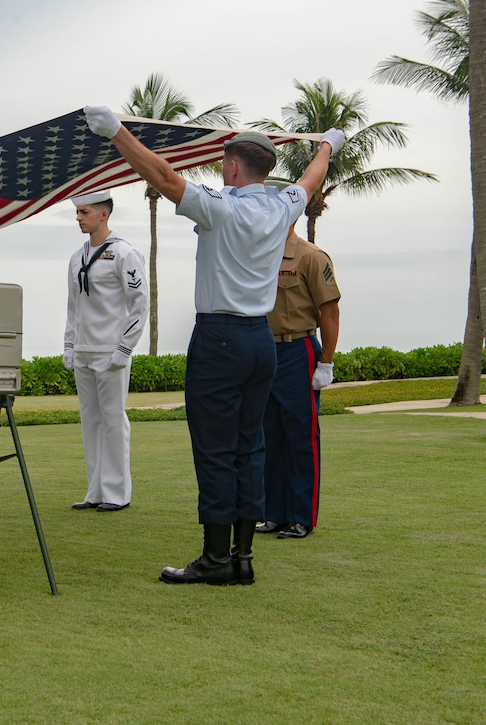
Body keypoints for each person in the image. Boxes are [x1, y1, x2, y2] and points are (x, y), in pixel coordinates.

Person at [84, 105, 343, 585]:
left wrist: (116, 131)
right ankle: (242, 559)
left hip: (219, 339)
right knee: (251, 447)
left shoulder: (221, 206)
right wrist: (328, 144)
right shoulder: (283, 203)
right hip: (260, 342)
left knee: (215, 451)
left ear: (231, 166)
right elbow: (312, 175)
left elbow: (162, 176)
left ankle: (214, 559)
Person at [63, 190, 149, 513]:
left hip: (110, 351)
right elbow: (73, 307)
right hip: (84, 351)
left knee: (113, 420)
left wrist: (125, 346)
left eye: (84, 212)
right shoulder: (77, 257)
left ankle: (116, 492)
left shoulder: (124, 253)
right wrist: (69, 345)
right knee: (91, 421)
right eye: (78, 212)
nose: (78, 218)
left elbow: (139, 305)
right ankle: (95, 490)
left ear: (103, 214)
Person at [257, 225, 341, 540]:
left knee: (301, 437)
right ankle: (274, 514)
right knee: (270, 437)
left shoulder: (310, 256)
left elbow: (329, 312)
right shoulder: (257, 252)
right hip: (265, 350)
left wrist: (326, 363)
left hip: (298, 350)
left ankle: (301, 516)